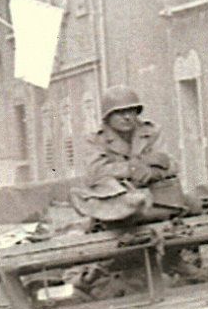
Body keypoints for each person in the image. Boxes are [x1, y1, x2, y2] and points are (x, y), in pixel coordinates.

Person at [71, 87, 187, 228]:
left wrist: (151, 172)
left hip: (156, 196)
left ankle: (140, 204)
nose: (127, 117)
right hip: (118, 198)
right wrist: (131, 169)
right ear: (107, 116)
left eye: (131, 111)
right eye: (119, 112)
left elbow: (171, 164)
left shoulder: (152, 131)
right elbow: (96, 172)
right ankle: (129, 205)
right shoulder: (96, 139)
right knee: (101, 188)